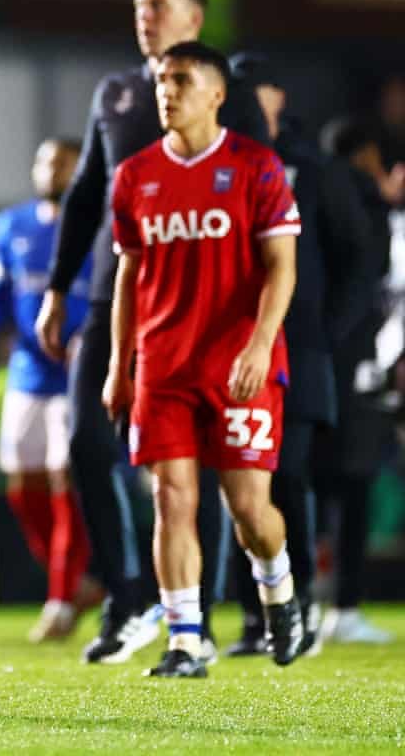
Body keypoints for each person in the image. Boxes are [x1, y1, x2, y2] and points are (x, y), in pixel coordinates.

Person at [35, 0, 270, 665]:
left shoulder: (231, 94)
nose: (146, 16)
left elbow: (265, 197)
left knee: (199, 464)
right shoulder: (115, 91)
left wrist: (262, 317)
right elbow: (85, 195)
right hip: (117, 295)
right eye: (140, 6)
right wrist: (57, 288)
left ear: (193, 20)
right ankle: (127, 594)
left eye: (160, 6)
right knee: (85, 441)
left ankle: (206, 602)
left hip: (204, 307)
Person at [103, 41, 305, 678]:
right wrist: (119, 365)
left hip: (239, 365)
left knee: (249, 510)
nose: (168, 90)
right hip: (163, 366)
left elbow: (282, 268)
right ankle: (187, 640)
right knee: (171, 498)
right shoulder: (134, 175)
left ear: (216, 93)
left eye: (183, 79)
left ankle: (279, 592)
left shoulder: (256, 167)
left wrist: (259, 343)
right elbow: (128, 277)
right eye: (164, 79)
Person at [224, 53, 372, 657]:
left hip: (301, 349)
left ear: (279, 97)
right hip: (228, 352)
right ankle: (253, 620)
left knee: (290, 476)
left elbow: (359, 256)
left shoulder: (315, 169)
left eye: (256, 90)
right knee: (236, 485)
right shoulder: (217, 166)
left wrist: (328, 331)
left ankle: (299, 605)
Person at [0, 137, 101, 642]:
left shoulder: (99, 225)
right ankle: (77, 582)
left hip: (79, 378)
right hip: (25, 374)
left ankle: (60, 600)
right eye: (44, 161)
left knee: (68, 481)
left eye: (62, 163)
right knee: (23, 489)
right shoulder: (13, 226)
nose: (50, 169)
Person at [308, 117, 397, 645]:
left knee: (304, 478)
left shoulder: (302, 186)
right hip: (357, 356)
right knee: (356, 479)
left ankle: (296, 603)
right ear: (366, 155)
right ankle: (344, 606)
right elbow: (377, 277)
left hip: (306, 355)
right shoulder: (362, 199)